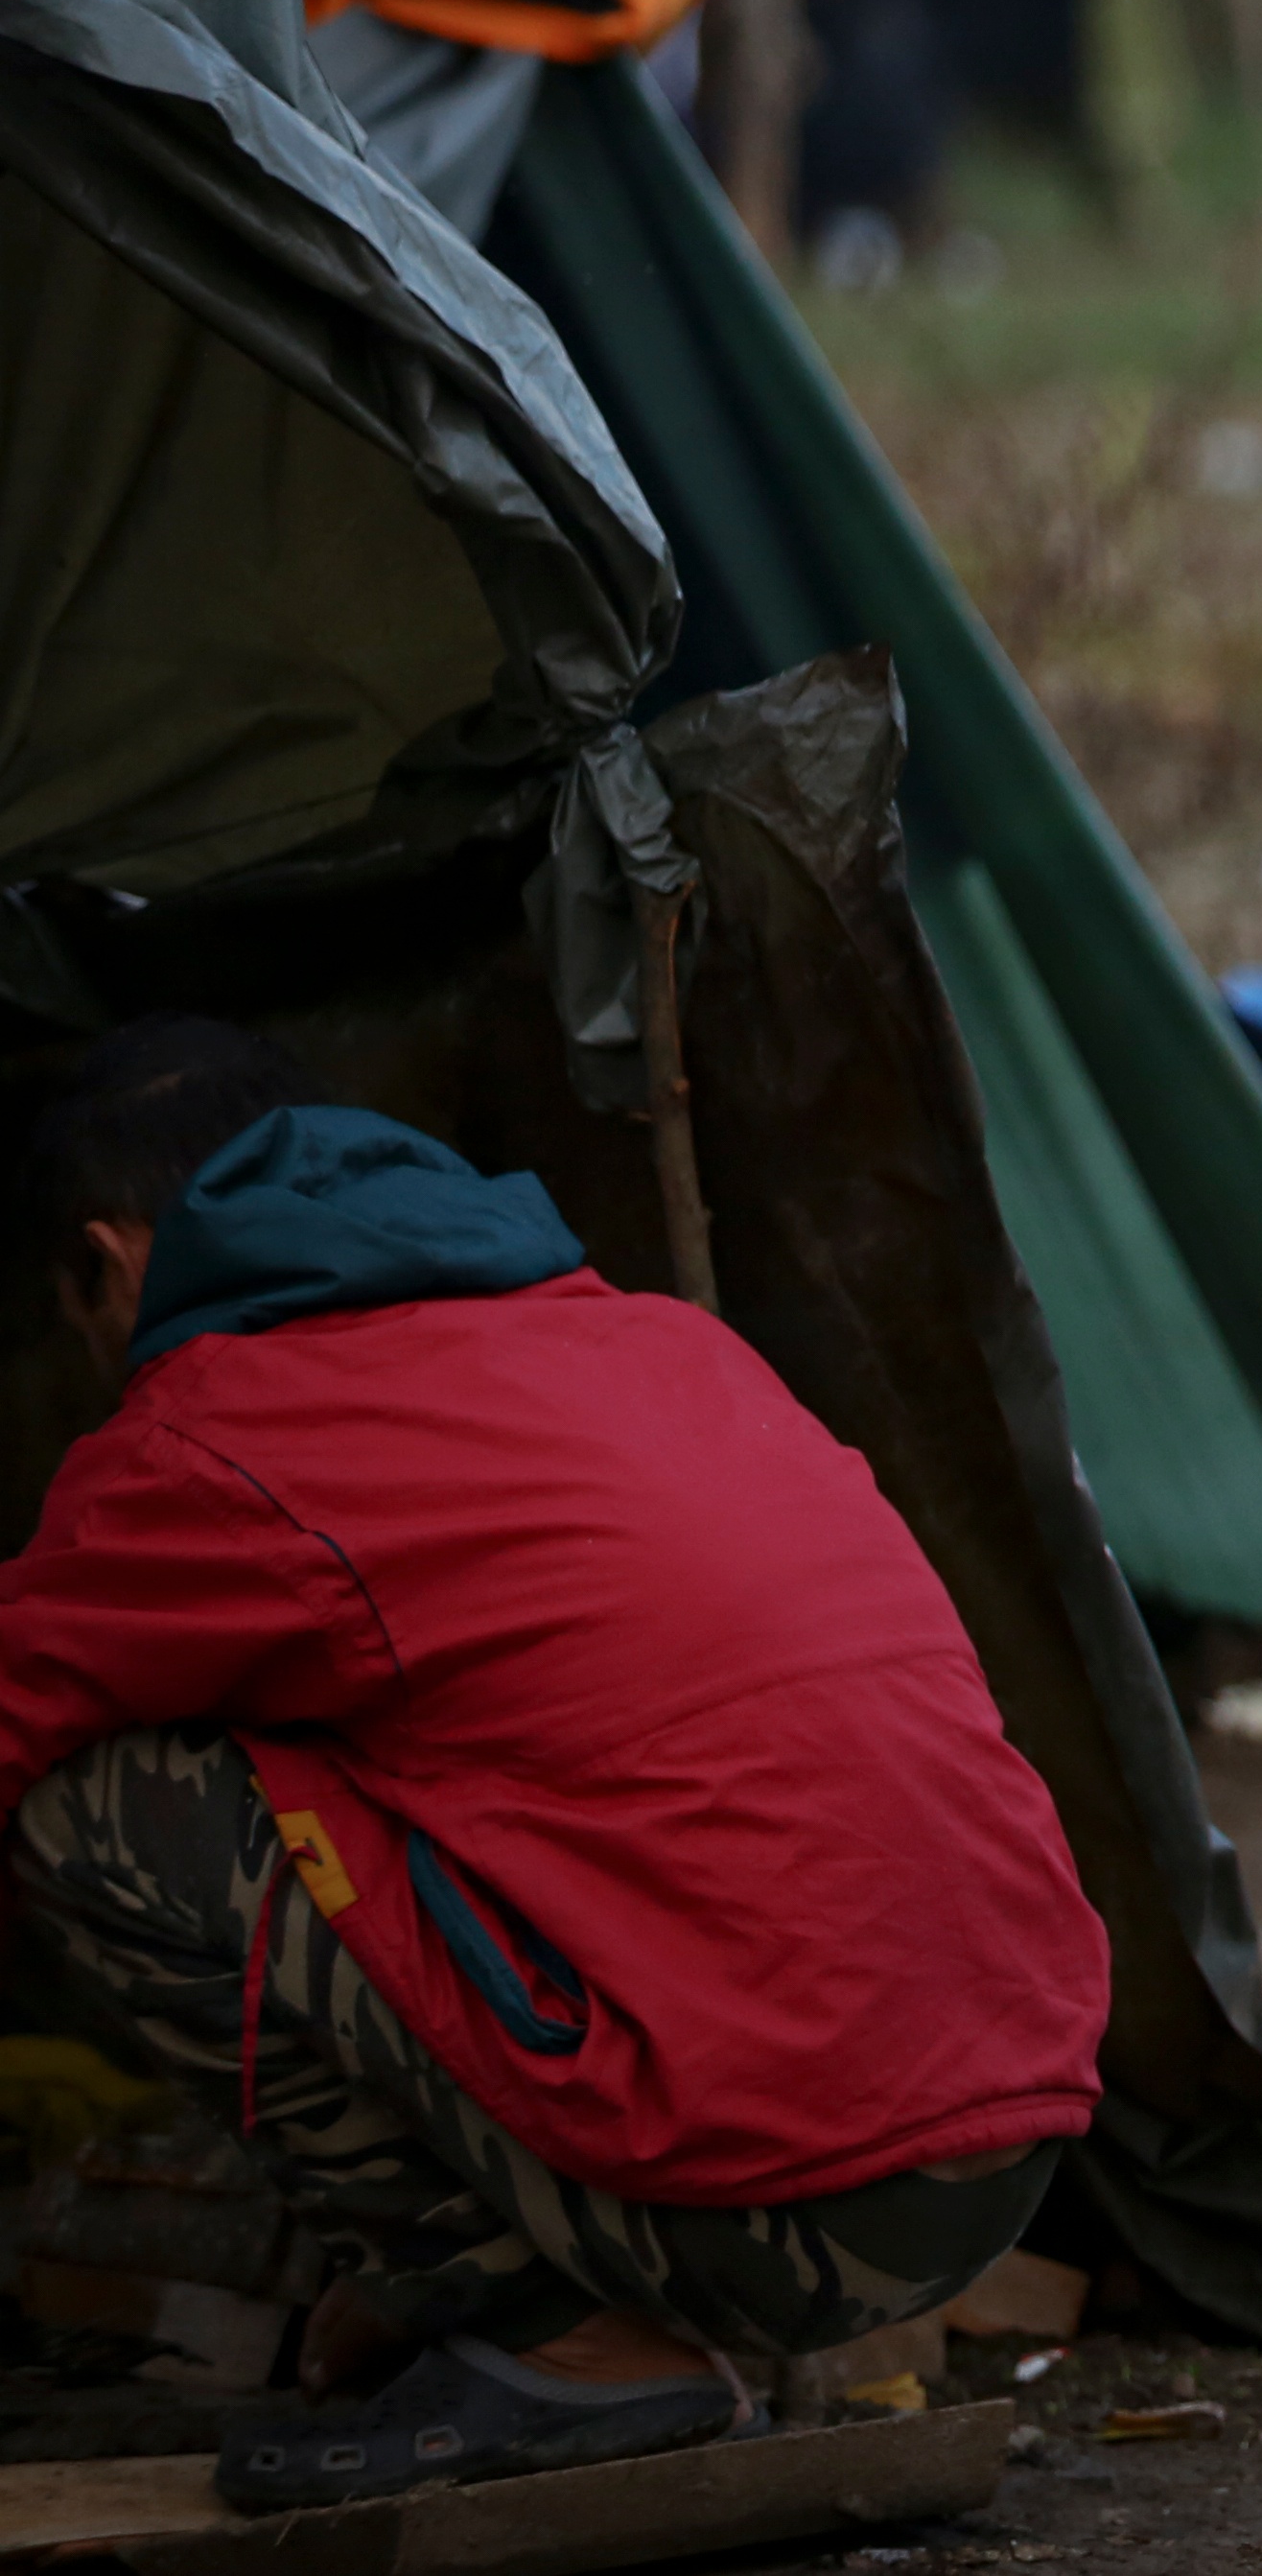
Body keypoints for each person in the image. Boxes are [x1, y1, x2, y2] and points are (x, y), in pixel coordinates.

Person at [0, 1019, 1110, 2511]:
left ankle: (570, 2340)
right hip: (1009, 2127)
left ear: (117, 1258)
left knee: (99, 1806)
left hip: (787, 2187)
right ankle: (515, 2290)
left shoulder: (217, 1430)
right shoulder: (661, 1342)